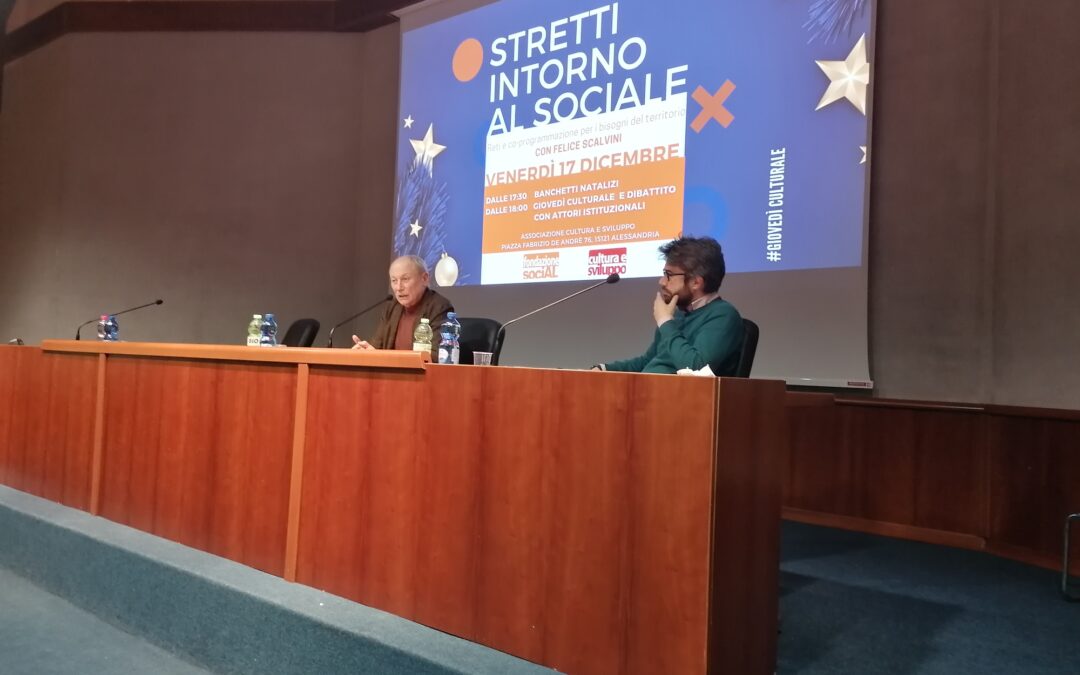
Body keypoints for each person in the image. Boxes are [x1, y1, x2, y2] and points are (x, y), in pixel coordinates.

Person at [593, 236, 743, 375]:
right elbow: (648, 361)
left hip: (678, 394)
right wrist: (604, 369)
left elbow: (696, 368)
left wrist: (665, 321)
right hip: (650, 389)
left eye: (669, 275)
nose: (662, 281)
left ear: (696, 282)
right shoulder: (677, 314)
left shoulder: (723, 315)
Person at [352, 255, 453, 360]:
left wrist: (387, 358)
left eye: (405, 279)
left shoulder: (439, 307)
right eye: (394, 280)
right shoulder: (392, 308)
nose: (399, 287)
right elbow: (377, 347)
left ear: (424, 278)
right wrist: (367, 352)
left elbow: (438, 356)